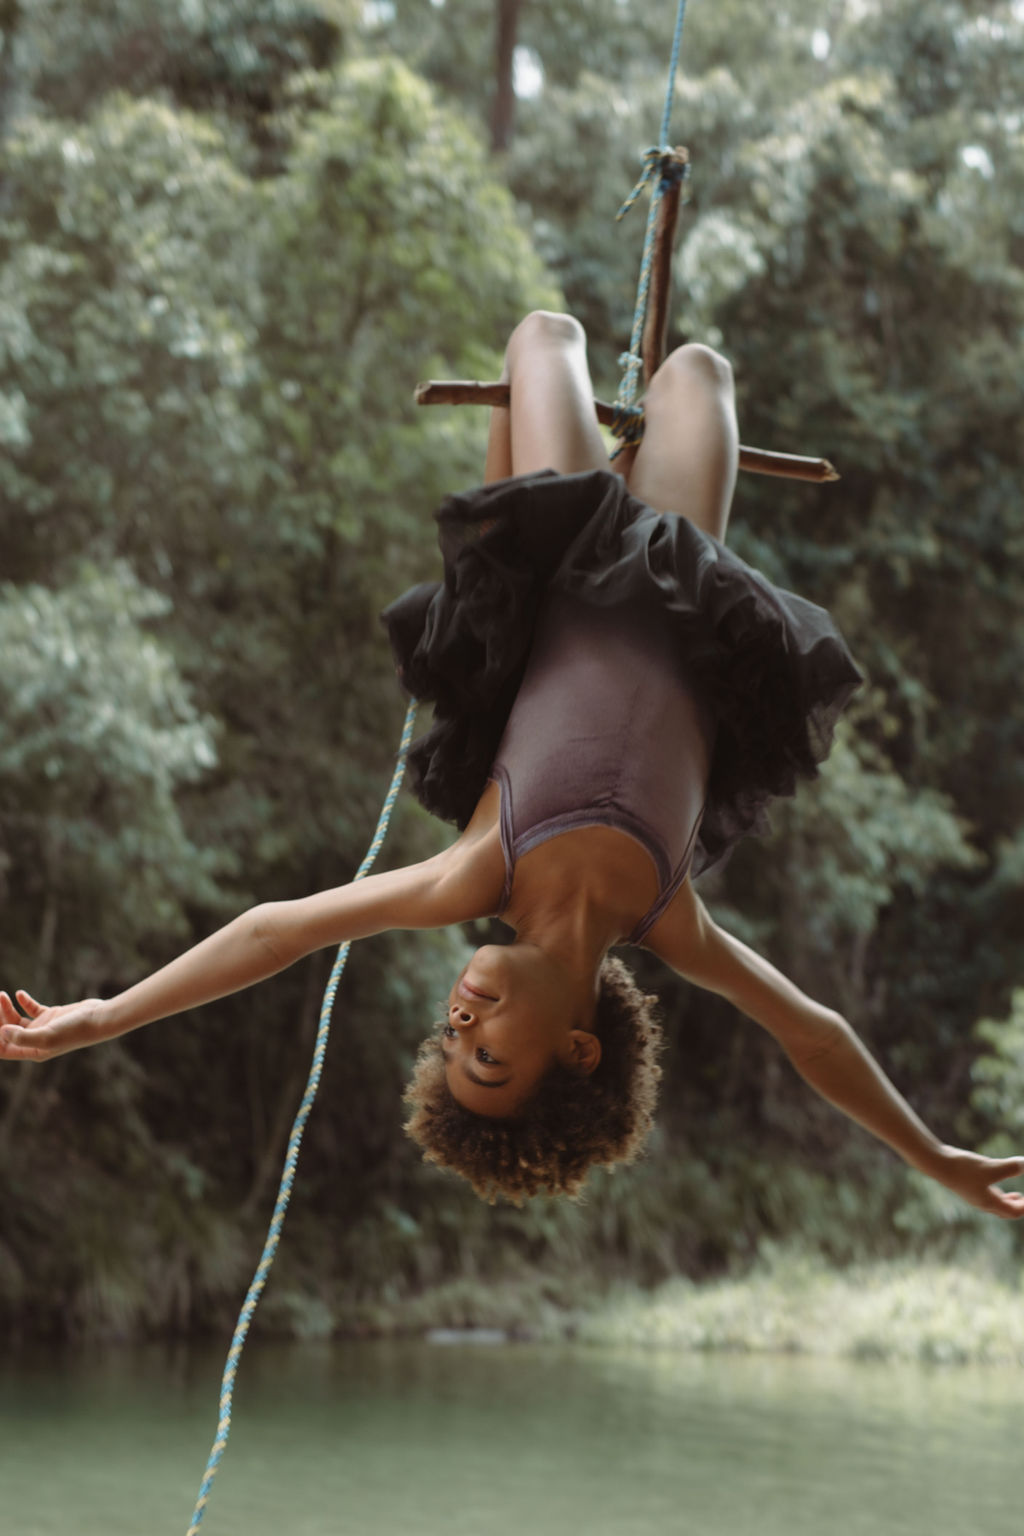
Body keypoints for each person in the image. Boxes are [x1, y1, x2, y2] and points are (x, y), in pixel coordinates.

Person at [2, 312, 1022, 1218]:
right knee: (698, 370)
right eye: (485, 1056)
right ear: (578, 1049)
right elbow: (814, 1036)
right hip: (679, 574)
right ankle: (542, 491)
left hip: (567, 559)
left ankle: (507, 517)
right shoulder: (670, 917)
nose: (458, 1022)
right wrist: (932, 1158)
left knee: (544, 336)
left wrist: (106, 1014)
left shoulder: (475, 875)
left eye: (447, 1045)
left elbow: (276, 934)